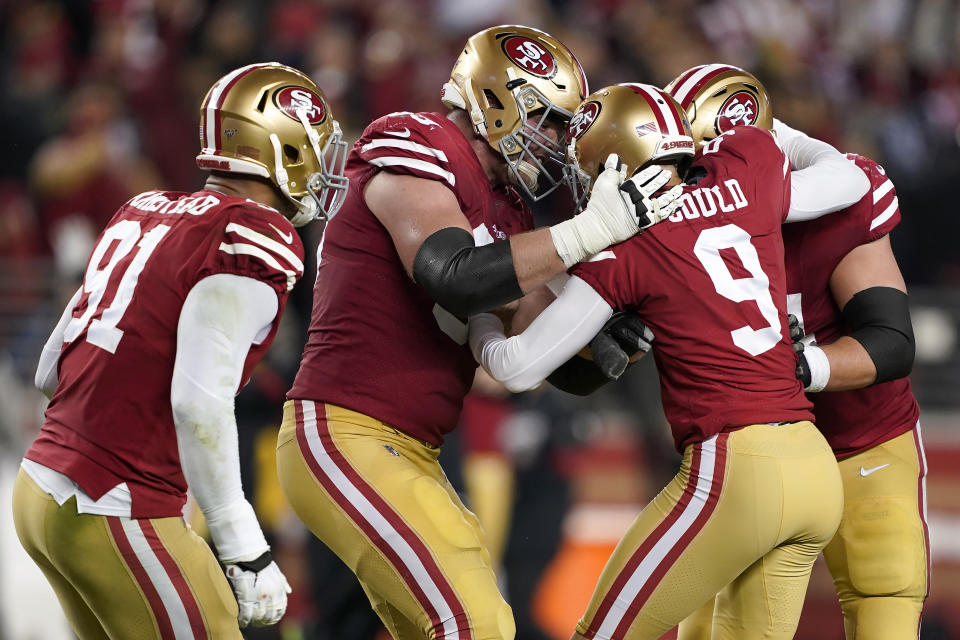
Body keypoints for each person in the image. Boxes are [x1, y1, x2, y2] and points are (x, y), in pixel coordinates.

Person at [276, 24, 682, 640]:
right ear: (495, 98)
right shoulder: (419, 142)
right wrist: (587, 233)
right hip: (344, 432)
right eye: (546, 120)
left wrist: (614, 331)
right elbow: (453, 275)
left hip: (412, 451)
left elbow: (552, 359)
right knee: (472, 623)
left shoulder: (506, 207)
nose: (554, 143)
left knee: (467, 624)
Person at [468, 82, 844, 640]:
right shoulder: (749, 168)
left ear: (613, 164)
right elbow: (849, 177)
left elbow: (517, 368)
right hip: (815, 463)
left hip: (737, 463)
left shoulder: (627, 247)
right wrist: (784, 131)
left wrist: (477, 321)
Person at [12, 62, 348, 638]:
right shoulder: (252, 237)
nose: (321, 167)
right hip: (116, 501)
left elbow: (51, 366)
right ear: (282, 149)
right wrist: (243, 544)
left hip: (38, 487)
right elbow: (198, 406)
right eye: (313, 148)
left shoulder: (142, 209)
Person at [668, 64, 928, 640]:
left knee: (883, 582)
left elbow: (890, 341)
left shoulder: (834, 202)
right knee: (720, 620)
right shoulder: (672, 212)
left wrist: (795, 367)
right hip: (754, 444)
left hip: (861, 436)